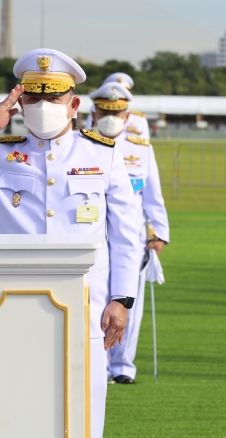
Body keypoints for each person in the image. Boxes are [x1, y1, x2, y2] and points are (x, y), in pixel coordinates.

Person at [0, 48, 142, 438]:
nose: (44, 105)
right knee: (13, 403)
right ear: (19, 101)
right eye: (34, 96)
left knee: (83, 405)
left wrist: (122, 298)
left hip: (86, 302)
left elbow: (127, 234)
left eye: (53, 97)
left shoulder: (102, 154)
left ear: (73, 104)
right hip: (11, 301)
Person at [89, 81, 169, 385]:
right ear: (94, 113)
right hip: (92, 234)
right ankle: (97, 363)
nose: (112, 116)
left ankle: (122, 366)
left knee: (127, 300)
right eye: (105, 111)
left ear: (127, 114)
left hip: (133, 236)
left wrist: (159, 232)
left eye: (118, 111)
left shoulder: (140, 148)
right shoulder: (81, 145)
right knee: (95, 299)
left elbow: (153, 194)